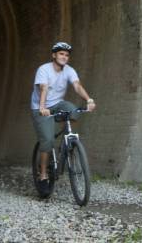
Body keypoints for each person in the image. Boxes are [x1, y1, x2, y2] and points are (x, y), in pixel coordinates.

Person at [31, 42, 97, 196]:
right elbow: (43, 88)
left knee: (74, 111)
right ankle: (43, 174)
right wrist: (42, 107)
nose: (64, 57)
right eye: (61, 54)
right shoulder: (44, 69)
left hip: (58, 104)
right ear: (54, 55)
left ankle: (65, 140)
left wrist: (89, 100)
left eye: (67, 55)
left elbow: (77, 86)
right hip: (40, 106)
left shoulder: (69, 70)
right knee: (47, 141)